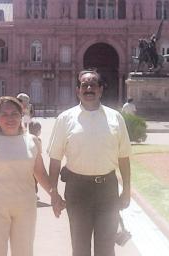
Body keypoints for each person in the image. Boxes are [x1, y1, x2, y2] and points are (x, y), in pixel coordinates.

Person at [47, 70, 131, 256]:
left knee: (106, 247)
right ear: (78, 91)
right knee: (80, 246)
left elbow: (124, 157)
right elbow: (55, 159)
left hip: (107, 189)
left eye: (93, 84)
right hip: (78, 190)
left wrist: (126, 190)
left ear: (101, 90)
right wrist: (54, 192)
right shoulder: (65, 119)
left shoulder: (115, 118)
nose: (89, 88)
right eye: (84, 85)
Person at [0, 96, 62, 256]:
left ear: (22, 116)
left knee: (24, 252)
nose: (10, 118)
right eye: (4, 114)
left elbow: (40, 173)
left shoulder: (32, 141)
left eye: (14, 114)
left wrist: (53, 195)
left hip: (26, 207)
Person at [28, 120, 42, 199]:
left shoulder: (25, 138)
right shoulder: (38, 140)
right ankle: (33, 194)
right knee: (35, 179)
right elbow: (39, 152)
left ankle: (32, 194)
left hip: (28, 162)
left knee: (31, 179)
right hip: (35, 162)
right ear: (38, 131)